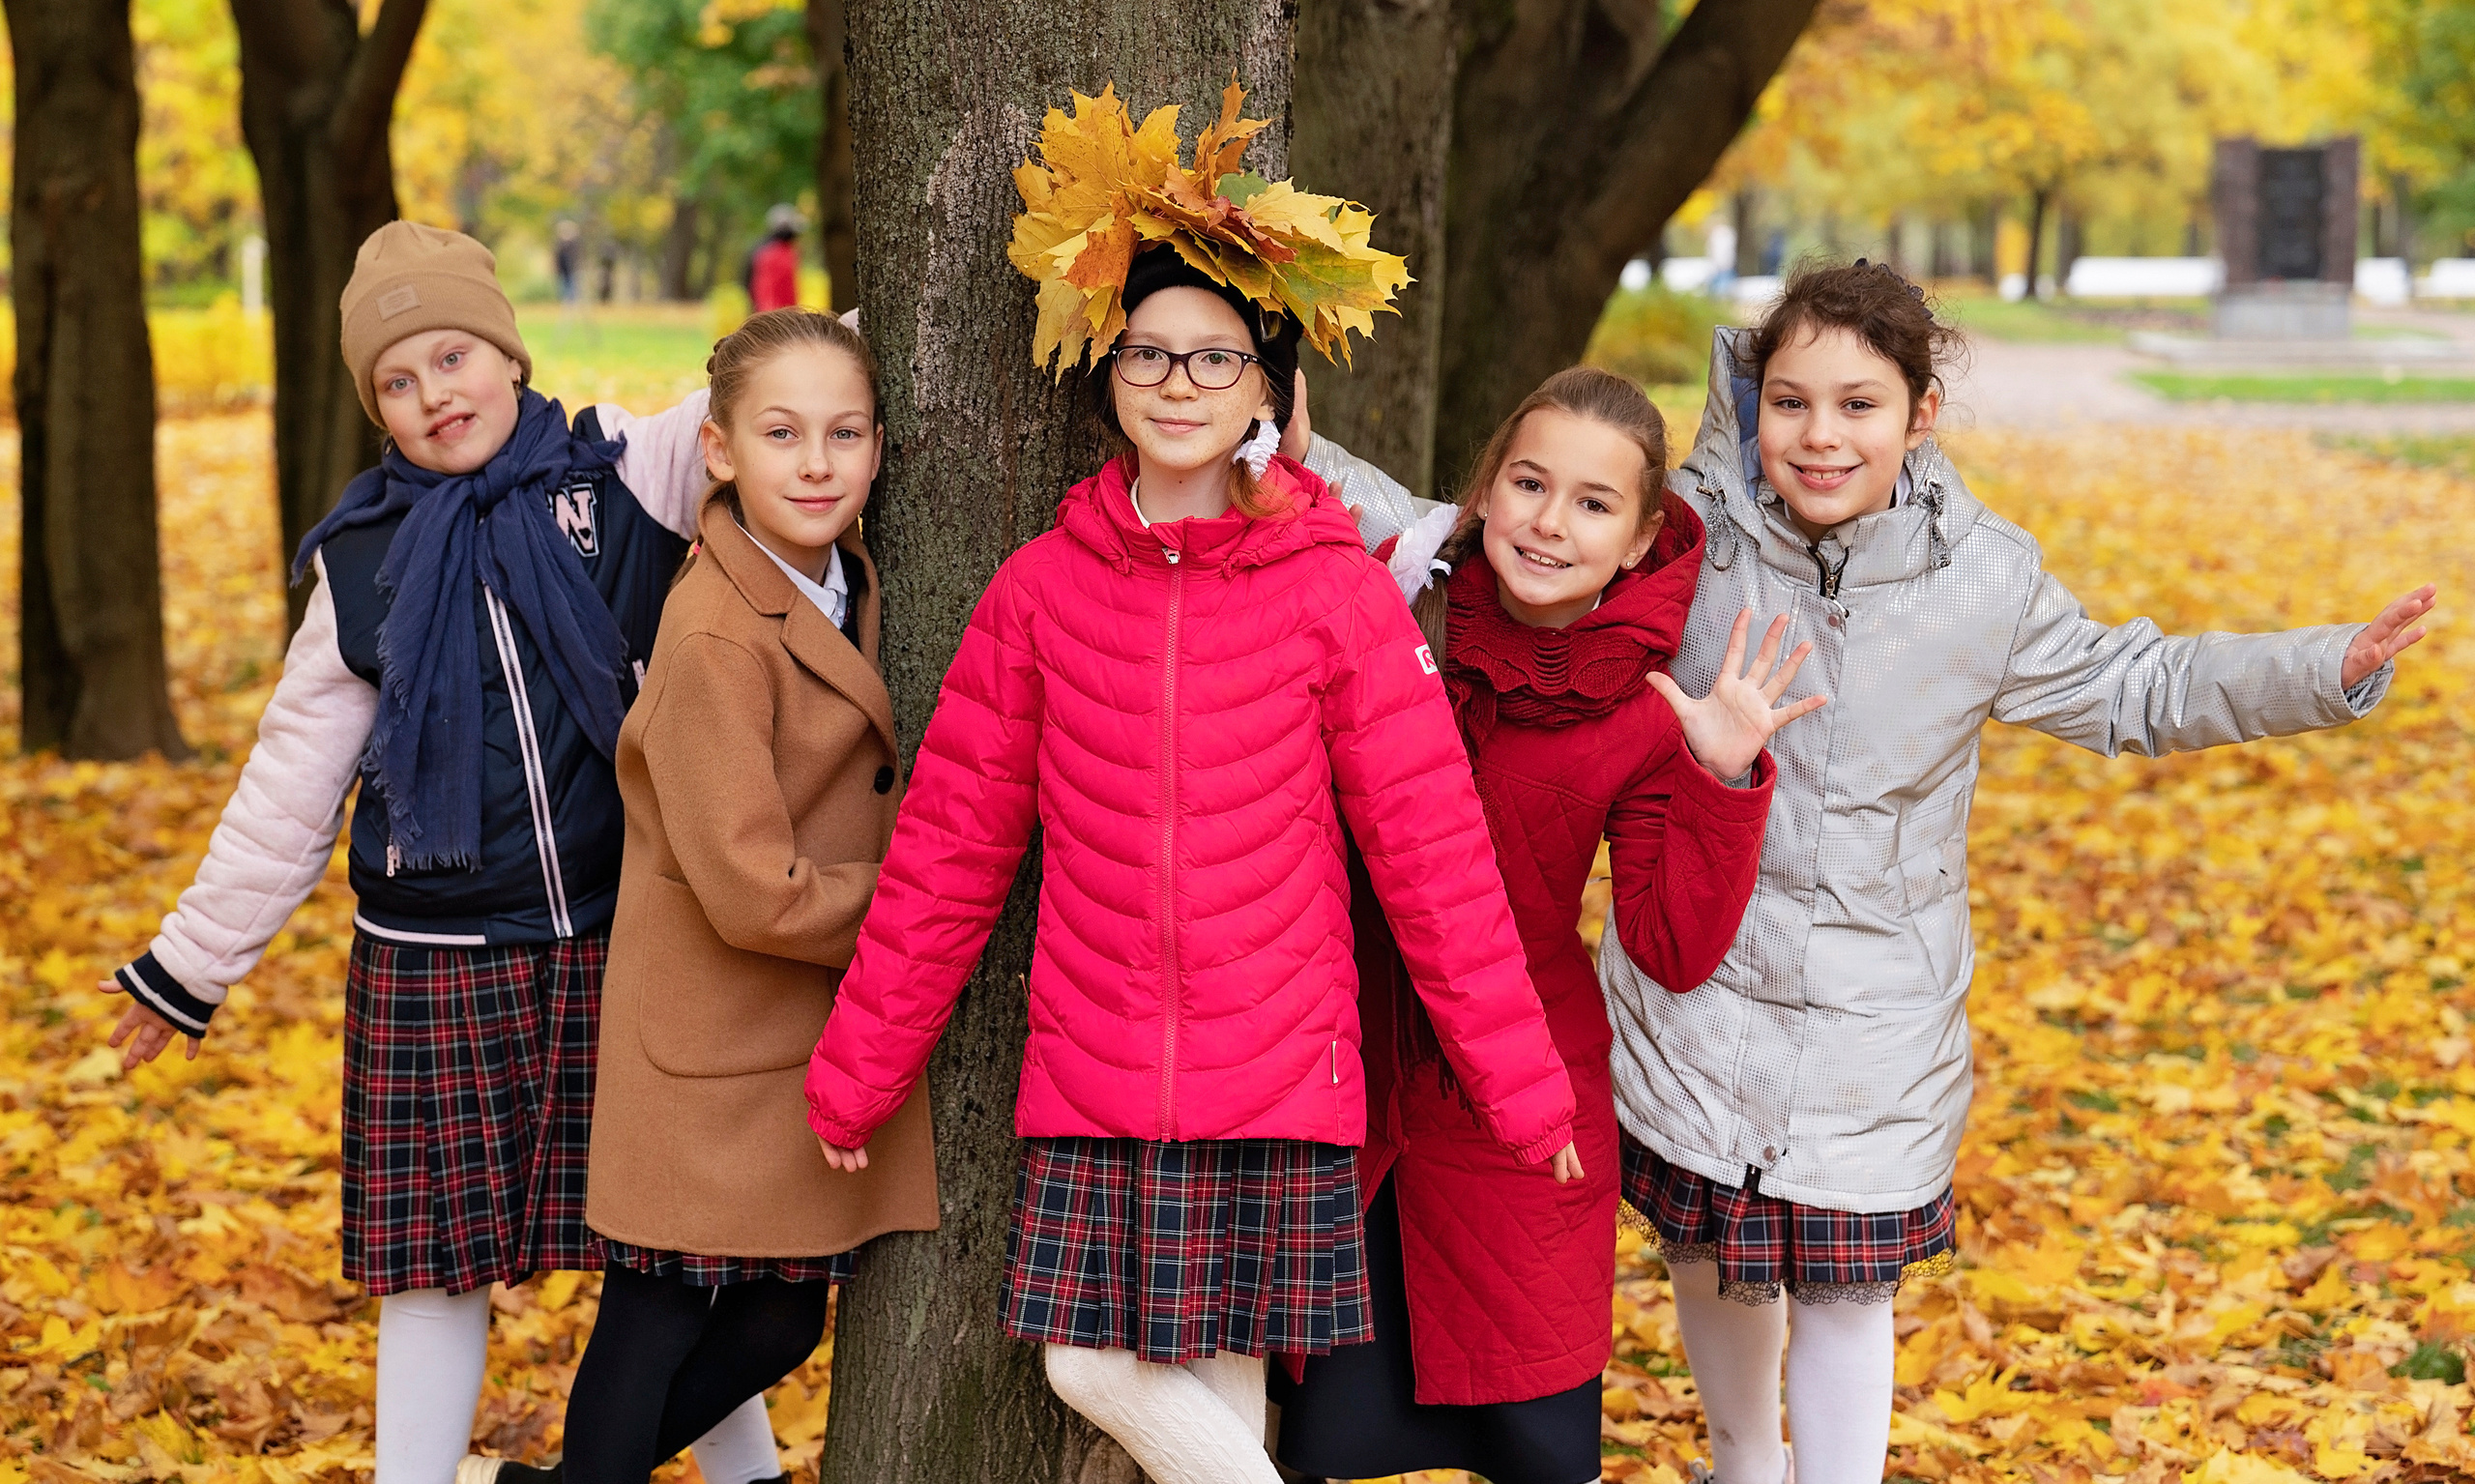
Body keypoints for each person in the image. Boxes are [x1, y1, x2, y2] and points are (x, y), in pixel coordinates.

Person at [1323, 256, 2434, 1484]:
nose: (1820, 434)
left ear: (1919, 413)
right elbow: (1459, 534)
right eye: (1791, 400)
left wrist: (2324, 669)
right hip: (1704, 988)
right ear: (1755, 404)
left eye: (1859, 404)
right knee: (1718, 1258)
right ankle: (1743, 1465)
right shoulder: (1692, 535)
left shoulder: (1981, 579)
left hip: (1873, 1006)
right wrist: (1279, 446)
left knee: (1847, 1291)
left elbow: (2138, 685)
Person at [803, 83, 1580, 1484]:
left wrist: (1522, 1090)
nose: (1177, 383)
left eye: (1214, 359)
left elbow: (1434, 856)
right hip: (1096, 1075)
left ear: (1267, 389)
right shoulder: (1039, 591)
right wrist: (860, 1072)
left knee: (1203, 1391)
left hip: (1275, 1071)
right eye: (1151, 353)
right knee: (1093, 1363)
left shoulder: (1335, 594)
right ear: (1108, 372)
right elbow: (945, 857)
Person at [97, 222, 785, 1484]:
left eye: (454, 355)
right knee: (435, 1270)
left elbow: (779, 386)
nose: (436, 396)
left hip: (621, 941)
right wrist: (190, 962)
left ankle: (751, 1476)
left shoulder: (622, 473)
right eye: (398, 382)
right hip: (436, 960)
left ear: (508, 351)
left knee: (672, 1257)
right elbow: (289, 785)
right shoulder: (358, 568)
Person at [1271, 367, 1815, 1484]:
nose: (1549, 522)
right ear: (1485, 490)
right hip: (1348, 1076)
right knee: (1314, 1430)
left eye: (1592, 502)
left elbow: (1672, 945)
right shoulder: (1395, 599)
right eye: (1528, 482)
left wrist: (1721, 773)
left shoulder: (1649, 703)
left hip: (1521, 1109)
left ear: (1637, 539)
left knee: (1533, 1439)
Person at [467, 307, 938, 1484]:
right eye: (782, 433)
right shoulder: (716, 629)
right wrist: (923, 904)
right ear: (719, 449)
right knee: (657, 1312)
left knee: (781, 1320)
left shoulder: (853, 574)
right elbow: (750, 889)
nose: (818, 461)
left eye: (846, 431)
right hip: (710, 1037)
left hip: (782, 1037)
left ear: (882, 446)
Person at [744, 206, 802, 313]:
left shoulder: (762, 251)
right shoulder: (775, 254)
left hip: (773, 315)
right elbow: (770, 293)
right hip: (776, 316)